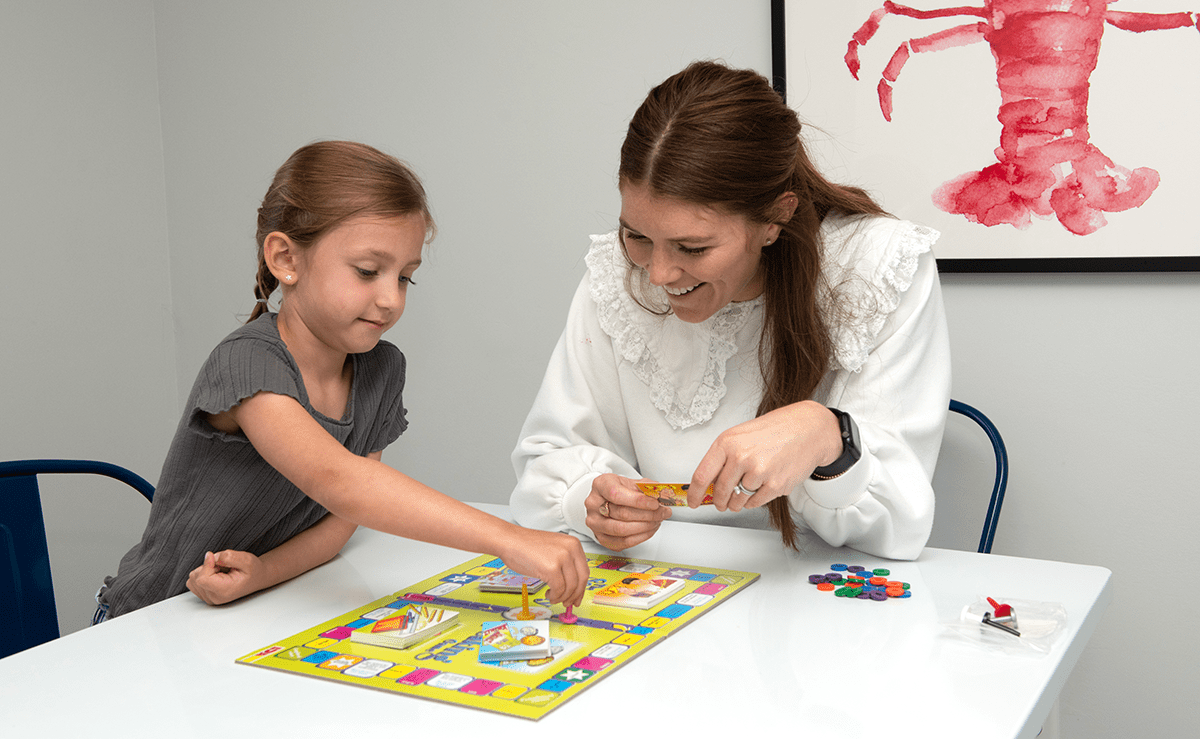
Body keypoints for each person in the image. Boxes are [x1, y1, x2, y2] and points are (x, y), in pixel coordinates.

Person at [97, 141, 587, 621]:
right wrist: (508, 537)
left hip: (244, 613)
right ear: (286, 259)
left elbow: (337, 527)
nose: (391, 299)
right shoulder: (245, 362)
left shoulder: (380, 369)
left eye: (404, 277)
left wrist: (261, 572)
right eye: (368, 271)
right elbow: (343, 483)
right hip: (148, 617)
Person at [510, 61, 951, 561]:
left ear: (775, 218)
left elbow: (899, 527)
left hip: (821, 594)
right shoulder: (617, 274)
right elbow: (550, 457)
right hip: (662, 583)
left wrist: (827, 435)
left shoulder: (877, 268)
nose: (657, 274)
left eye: (692, 248)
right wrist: (586, 500)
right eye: (636, 236)